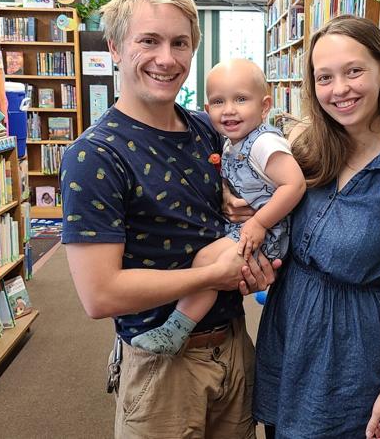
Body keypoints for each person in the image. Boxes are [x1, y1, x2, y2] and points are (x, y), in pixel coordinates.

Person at [60, 0, 278, 438]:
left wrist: (247, 227)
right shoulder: (94, 155)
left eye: (180, 43)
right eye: (149, 41)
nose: (167, 58)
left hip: (235, 346)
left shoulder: (208, 129)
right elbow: (99, 295)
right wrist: (211, 277)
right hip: (162, 367)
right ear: (116, 48)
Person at [252, 15, 380, 438]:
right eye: (324, 77)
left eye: (354, 71)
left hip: (349, 348)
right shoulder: (304, 151)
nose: (339, 90)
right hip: (288, 326)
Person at [131, 58, 306, 355]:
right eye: (218, 101)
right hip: (245, 229)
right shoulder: (230, 142)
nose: (229, 109)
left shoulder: (263, 143)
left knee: (206, 263)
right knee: (206, 261)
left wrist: (259, 223)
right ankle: (177, 327)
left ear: (264, 107)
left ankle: (176, 329)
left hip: (266, 235)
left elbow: (295, 185)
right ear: (207, 109)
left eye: (241, 99)